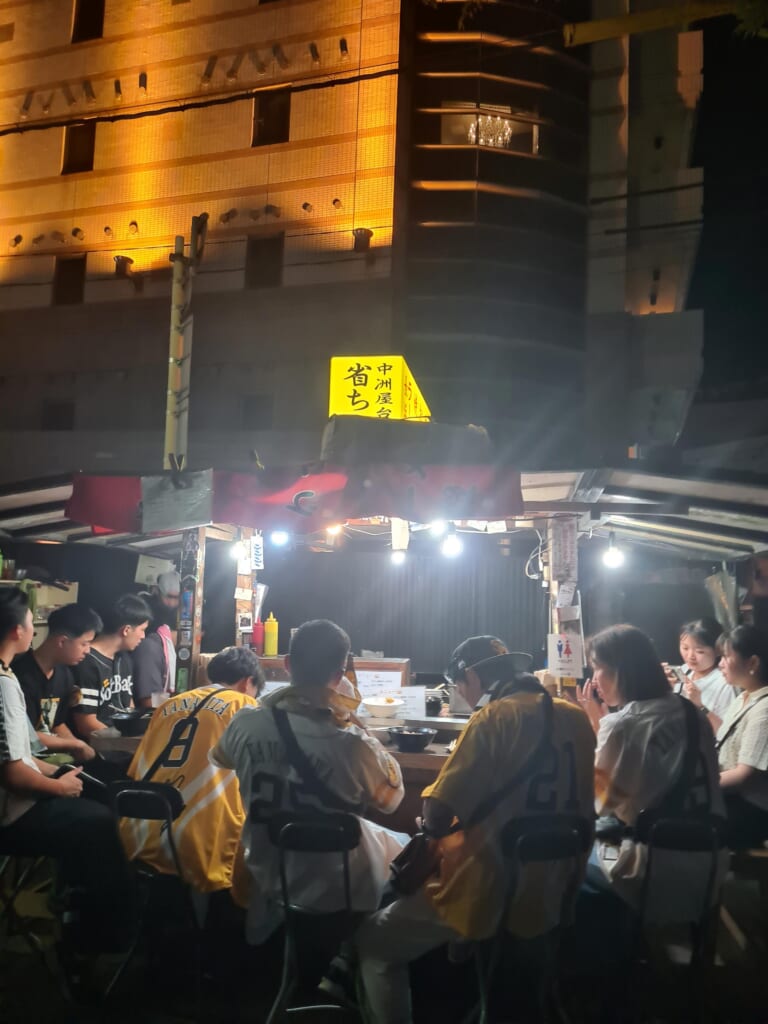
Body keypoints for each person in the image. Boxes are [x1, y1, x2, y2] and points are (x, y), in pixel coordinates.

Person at [354, 636, 596, 1024]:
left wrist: (430, 823)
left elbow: (435, 815)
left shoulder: (493, 718)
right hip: (554, 888)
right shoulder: (576, 718)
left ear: (470, 676)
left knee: (374, 942)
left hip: (490, 889)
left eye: (460, 686)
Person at [213, 619, 408, 944]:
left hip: (268, 872)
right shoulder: (354, 744)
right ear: (340, 673)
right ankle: (359, 955)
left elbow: (222, 759)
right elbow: (392, 801)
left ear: (288, 664)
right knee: (406, 848)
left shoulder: (244, 724)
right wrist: (355, 720)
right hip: (337, 886)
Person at [0, 587, 134, 959]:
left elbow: (22, 753)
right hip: (11, 814)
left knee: (97, 805)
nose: (32, 627)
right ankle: (92, 940)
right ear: (17, 631)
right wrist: (58, 788)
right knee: (98, 822)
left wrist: (59, 774)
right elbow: (14, 774)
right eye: (30, 621)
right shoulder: (8, 683)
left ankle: (80, 921)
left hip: (24, 793)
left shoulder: (9, 676)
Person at [578, 624, 726, 923]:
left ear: (621, 671)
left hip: (651, 867)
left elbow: (603, 803)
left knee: (565, 863)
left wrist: (598, 724)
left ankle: (611, 960)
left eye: (597, 668)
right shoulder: (690, 711)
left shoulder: (625, 724)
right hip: (711, 863)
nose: (594, 680)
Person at [120, 645, 264, 902]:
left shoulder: (168, 705)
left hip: (143, 830)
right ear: (247, 682)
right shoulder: (246, 706)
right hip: (204, 839)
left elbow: (136, 769)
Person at [12, 603, 102, 764]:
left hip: (49, 754)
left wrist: (80, 749)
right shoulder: (20, 676)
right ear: (62, 641)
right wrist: (75, 744)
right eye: (84, 643)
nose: (88, 650)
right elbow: (26, 735)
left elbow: (57, 724)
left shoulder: (65, 674)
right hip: (23, 758)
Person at [69, 593, 151, 739]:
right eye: (142, 630)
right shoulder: (87, 662)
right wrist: (124, 743)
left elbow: (128, 705)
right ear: (126, 630)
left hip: (122, 742)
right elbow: (86, 723)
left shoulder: (124, 658)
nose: (143, 636)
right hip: (98, 747)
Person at [716, 624, 768, 847]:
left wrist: (698, 786)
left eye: (726, 657)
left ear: (753, 663)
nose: (720, 664)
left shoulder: (765, 707)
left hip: (752, 810)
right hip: (729, 800)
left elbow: (743, 776)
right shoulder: (743, 698)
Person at [663, 617, 735, 732]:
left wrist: (700, 706)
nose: (690, 656)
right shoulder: (683, 670)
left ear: (717, 650)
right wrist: (664, 689)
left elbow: (725, 731)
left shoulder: (724, 683)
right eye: (685, 648)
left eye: (700, 651)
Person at [132, 571, 180, 709]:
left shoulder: (183, 609)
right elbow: (152, 702)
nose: (172, 603)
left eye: (176, 598)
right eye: (169, 597)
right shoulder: (149, 646)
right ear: (157, 592)